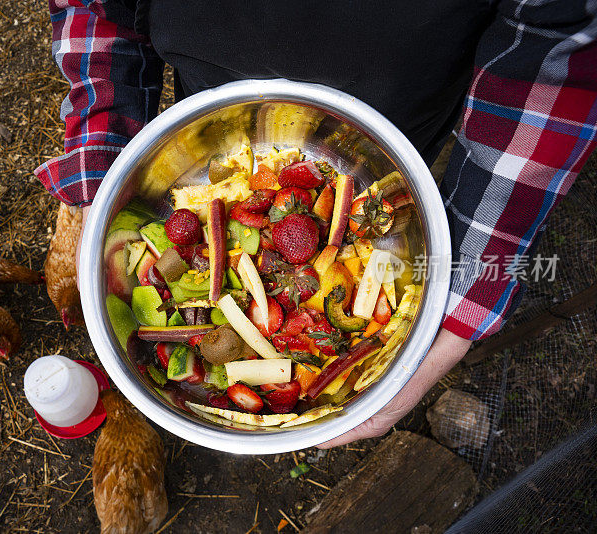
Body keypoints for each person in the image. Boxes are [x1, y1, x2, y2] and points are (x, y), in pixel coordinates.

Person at [34, 0, 597, 447]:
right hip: (208, 83)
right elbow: (95, 7)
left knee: (403, 173)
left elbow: (553, 48)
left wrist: (466, 292)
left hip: (398, 107)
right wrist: (98, 172)